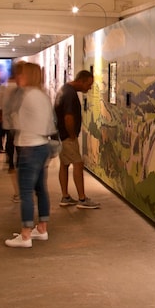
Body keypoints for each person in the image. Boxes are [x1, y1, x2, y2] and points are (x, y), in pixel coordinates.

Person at [4, 63, 54, 248]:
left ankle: (25, 235)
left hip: (28, 147)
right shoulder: (43, 95)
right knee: (41, 189)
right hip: (42, 146)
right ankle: (42, 228)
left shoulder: (25, 96)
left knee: (25, 192)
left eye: (21, 74)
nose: (18, 77)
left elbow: (11, 120)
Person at [54, 70, 99, 209]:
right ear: (81, 81)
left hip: (60, 135)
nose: (89, 88)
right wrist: (72, 135)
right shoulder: (70, 95)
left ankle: (65, 196)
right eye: (89, 84)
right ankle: (82, 199)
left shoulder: (64, 89)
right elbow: (68, 117)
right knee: (78, 164)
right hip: (67, 136)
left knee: (64, 164)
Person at [0, 61, 24, 202]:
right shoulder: (24, 89)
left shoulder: (4, 87)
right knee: (22, 158)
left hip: (10, 127)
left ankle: (18, 192)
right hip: (23, 130)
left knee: (12, 158)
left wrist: (3, 120)